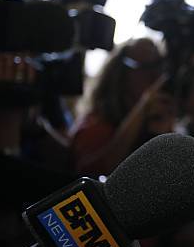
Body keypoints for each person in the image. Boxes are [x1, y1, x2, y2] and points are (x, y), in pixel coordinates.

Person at [70, 38, 176, 175]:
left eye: (158, 66)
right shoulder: (97, 121)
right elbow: (95, 170)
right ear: (120, 73)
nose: (155, 75)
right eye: (144, 67)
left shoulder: (157, 118)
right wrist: (142, 108)